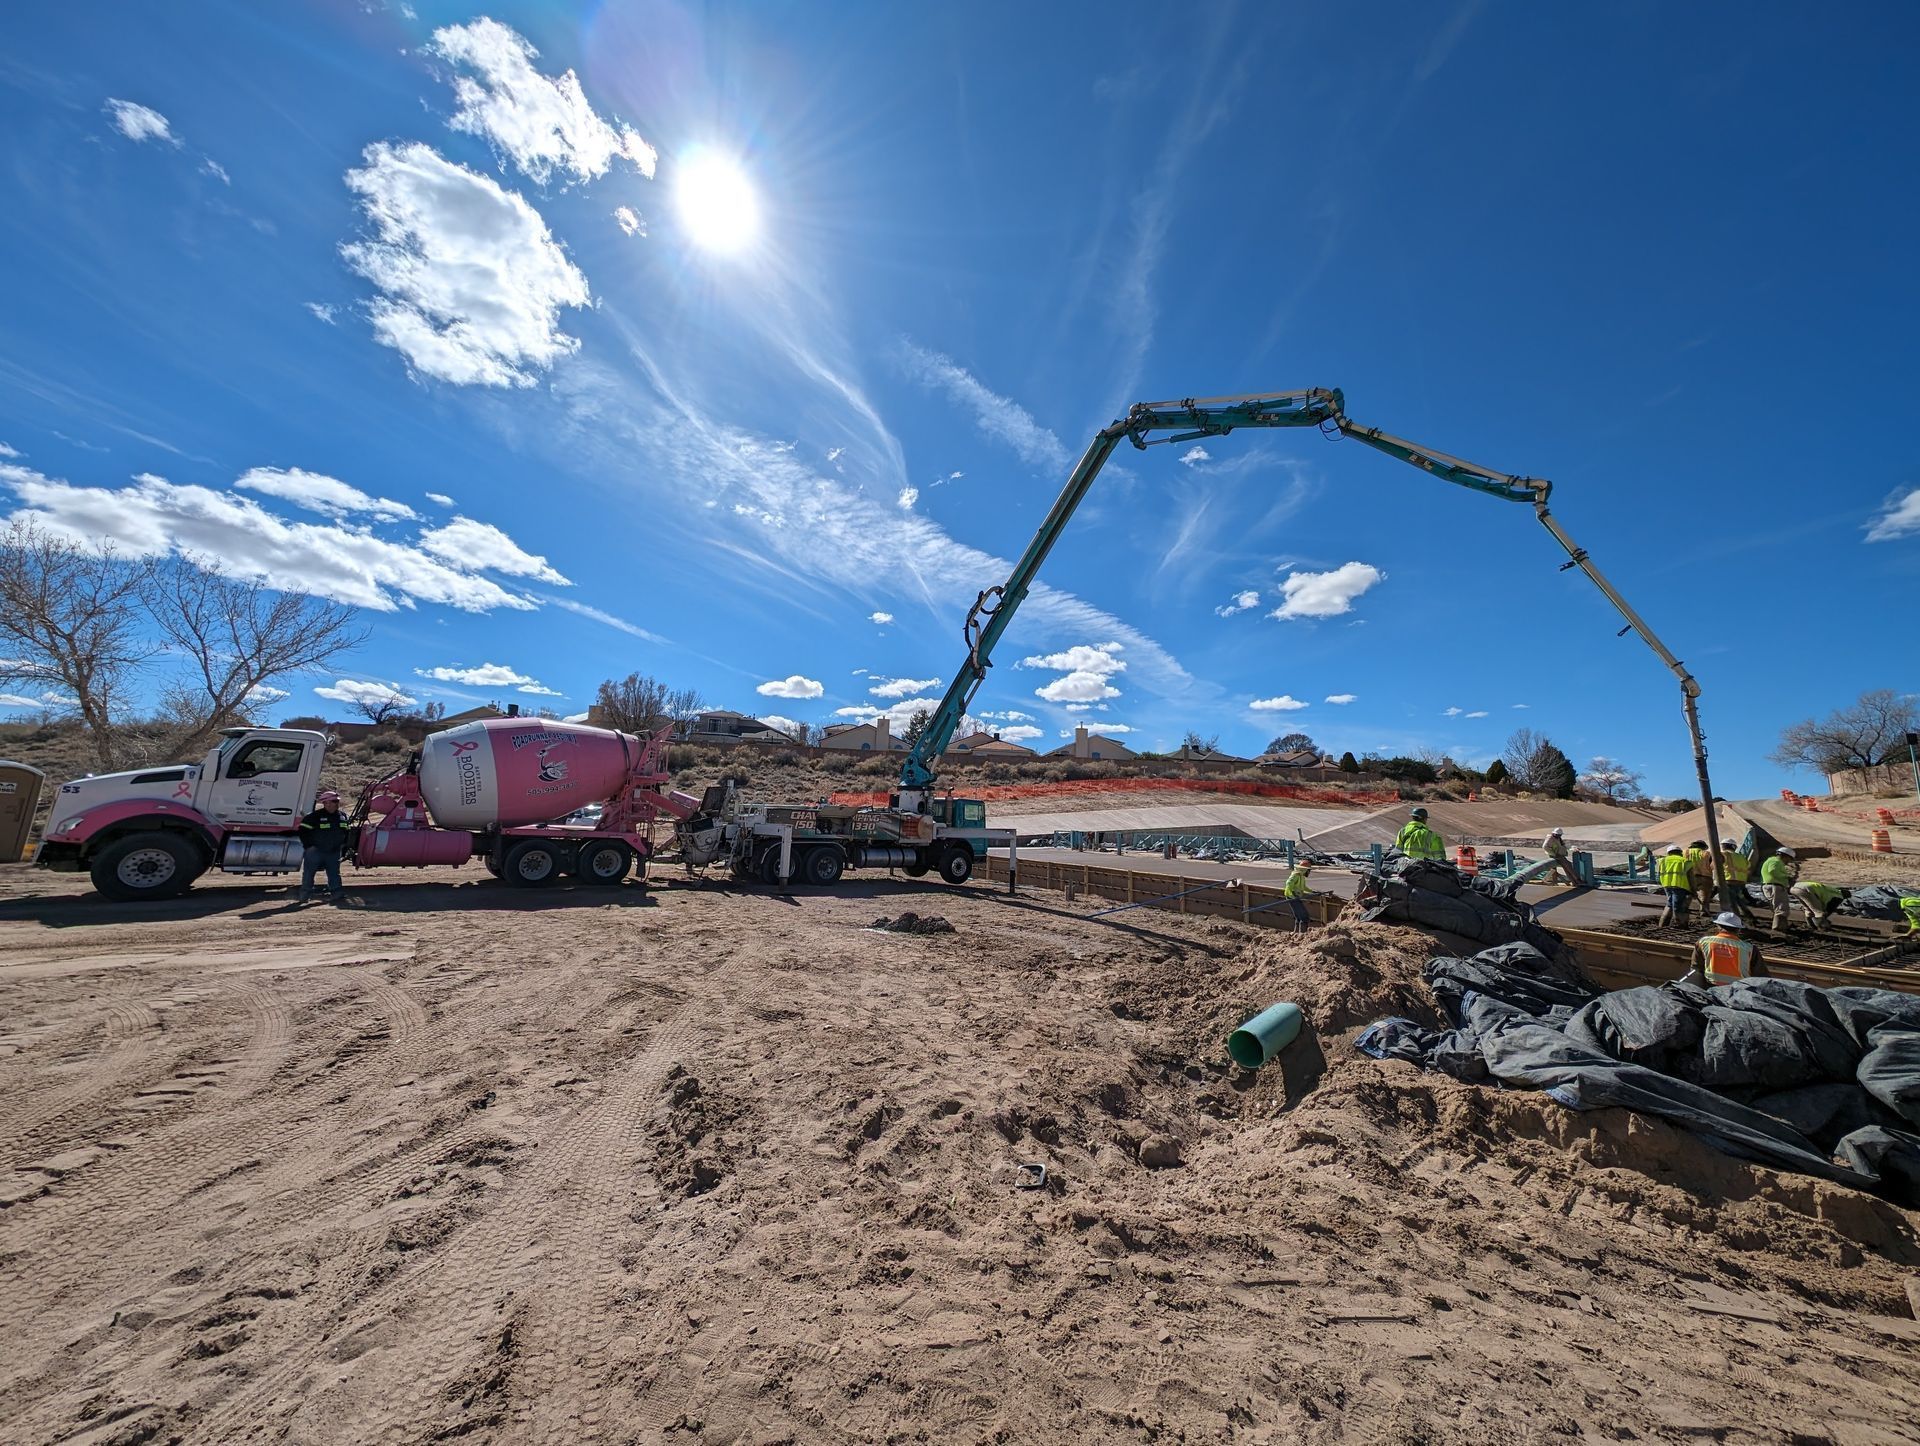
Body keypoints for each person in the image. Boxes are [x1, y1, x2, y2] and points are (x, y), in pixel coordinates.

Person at [298, 789, 351, 905]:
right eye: (332, 801)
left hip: (334, 852)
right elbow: (302, 831)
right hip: (315, 851)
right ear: (325, 803)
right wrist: (309, 847)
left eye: (336, 801)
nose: (335, 804)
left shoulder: (342, 816)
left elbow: (346, 833)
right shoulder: (313, 817)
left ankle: (337, 893)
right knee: (309, 873)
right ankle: (305, 894)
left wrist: (343, 847)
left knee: (334, 873)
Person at [1690, 911, 1765, 985]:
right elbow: (1761, 977)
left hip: (1710, 988)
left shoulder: (1703, 942)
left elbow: (1696, 969)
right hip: (1740, 991)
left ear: (1718, 926)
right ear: (1738, 929)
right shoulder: (1750, 949)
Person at [1760, 846, 1798, 931]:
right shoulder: (1776, 861)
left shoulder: (1771, 860)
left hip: (1770, 885)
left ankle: (1780, 926)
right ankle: (1778, 928)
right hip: (1776, 886)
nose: (1788, 862)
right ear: (1785, 856)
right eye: (1789, 859)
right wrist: (1787, 877)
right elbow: (1773, 871)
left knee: (1777, 908)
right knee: (1781, 909)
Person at [1657, 845, 1693, 928]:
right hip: (1680, 886)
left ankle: (1662, 924)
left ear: (1668, 853)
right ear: (1680, 853)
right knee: (1678, 906)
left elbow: (1659, 874)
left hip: (1667, 885)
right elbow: (1691, 878)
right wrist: (1693, 889)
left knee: (1669, 904)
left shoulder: (1662, 861)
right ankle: (1680, 925)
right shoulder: (1685, 861)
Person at [1282, 860, 1316, 934]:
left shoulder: (1301, 876)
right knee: (1304, 916)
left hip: (1296, 896)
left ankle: (1296, 932)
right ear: (1304, 869)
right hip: (1292, 897)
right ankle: (1302, 934)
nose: (1309, 872)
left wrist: (1312, 891)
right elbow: (1288, 884)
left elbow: (1303, 887)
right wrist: (1291, 895)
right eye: (1308, 870)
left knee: (1298, 915)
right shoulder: (1296, 875)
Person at [1685, 839, 1715, 911]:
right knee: (1704, 897)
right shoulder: (1707, 853)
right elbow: (1713, 866)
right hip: (1705, 877)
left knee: (1687, 894)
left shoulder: (1684, 852)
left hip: (1688, 876)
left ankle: (1684, 908)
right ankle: (1704, 911)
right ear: (1704, 847)